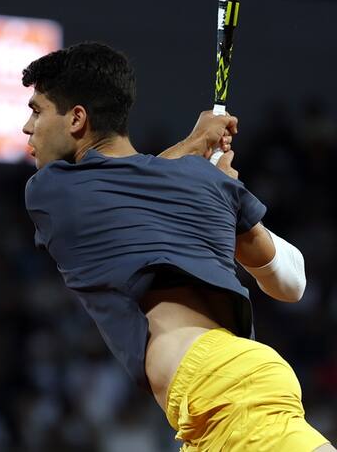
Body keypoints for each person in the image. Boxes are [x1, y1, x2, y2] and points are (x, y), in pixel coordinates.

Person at [20, 42, 334, 451]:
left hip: (226, 390)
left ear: (77, 118)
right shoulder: (202, 184)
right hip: (208, 409)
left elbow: (139, 181)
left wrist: (198, 158)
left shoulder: (49, 189)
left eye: (37, 110)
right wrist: (215, 186)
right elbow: (291, 282)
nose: (28, 127)